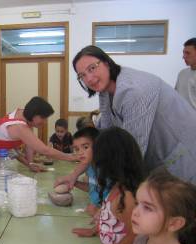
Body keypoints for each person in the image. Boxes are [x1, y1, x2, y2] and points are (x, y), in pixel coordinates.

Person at [65, 45, 196, 187]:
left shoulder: (135, 90)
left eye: (92, 68)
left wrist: (111, 195)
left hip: (182, 157)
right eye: (82, 75)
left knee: (181, 203)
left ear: (107, 62)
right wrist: (74, 174)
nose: (89, 79)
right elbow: (105, 135)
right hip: (157, 161)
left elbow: (131, 150)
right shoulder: (105, 90)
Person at [72, 127, 145, 244]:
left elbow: (136, 235)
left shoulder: (127, 197)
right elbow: (110, 218)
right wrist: (95, 230)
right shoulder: (116, 187)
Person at [0, 96, 78, 173]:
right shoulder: (19, 127)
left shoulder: (23, 113)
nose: (44, 122)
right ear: (34, 115)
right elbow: (44, 150)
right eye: (43, 118)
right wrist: (71, 157)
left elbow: (29, 144)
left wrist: (30, 164)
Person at [70, 127, 109, 216]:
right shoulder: (89, 167)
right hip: (95, 210)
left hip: (106, 214)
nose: (80, 152)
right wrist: (75, 183)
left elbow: (115, 196)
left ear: (98, 146)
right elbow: (93, 188)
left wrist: (101, 210)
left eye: (85, 147)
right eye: (77, 149)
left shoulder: (107, 169)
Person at [175, 38, 196, 109]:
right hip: (180, 116)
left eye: (188, 53)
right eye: (183, 53)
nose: (183, 56)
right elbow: (175, 95)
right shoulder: (182, 73)